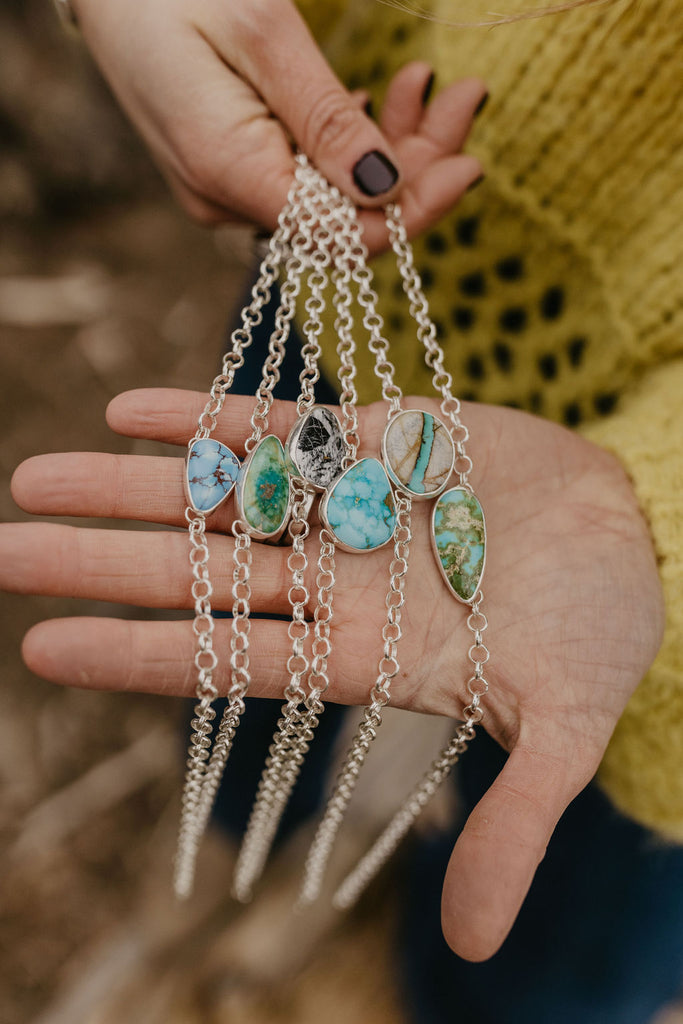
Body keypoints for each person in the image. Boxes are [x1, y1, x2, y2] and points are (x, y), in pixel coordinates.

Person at [2, 0, 682, 1020]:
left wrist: (654, 515)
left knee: (554, 937)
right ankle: (222, 876)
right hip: (370, 255)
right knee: (256, 671)